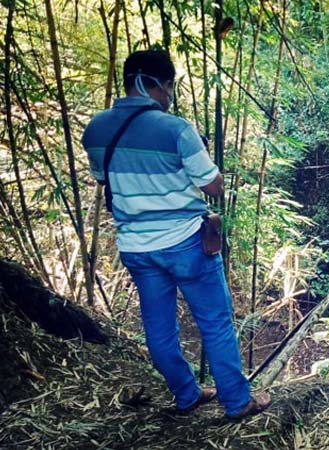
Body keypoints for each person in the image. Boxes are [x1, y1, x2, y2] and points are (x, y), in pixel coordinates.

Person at [82, 50, 270, 419]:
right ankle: (237, 401)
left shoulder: (96, 129)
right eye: (169, 86)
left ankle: (186, 394)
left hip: (136, 246)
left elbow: (105, 179)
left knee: (158, 327)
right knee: (215, 323)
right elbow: (212, 186)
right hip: (186, 243)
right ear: (156, 84)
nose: (169, 94)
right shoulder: (175, 129)